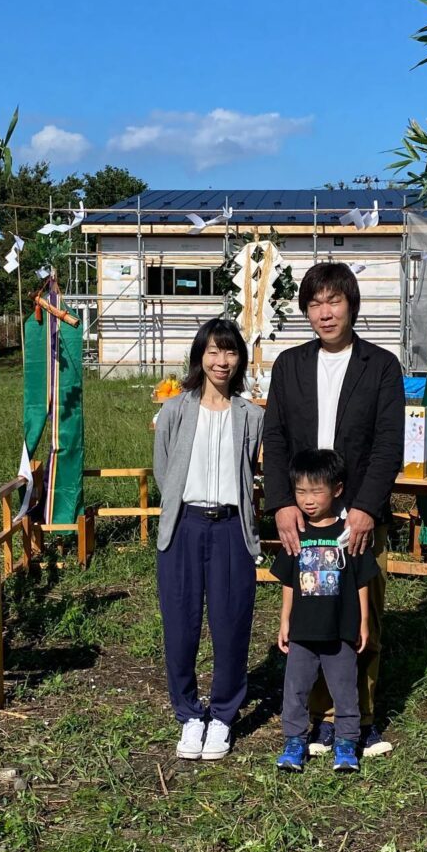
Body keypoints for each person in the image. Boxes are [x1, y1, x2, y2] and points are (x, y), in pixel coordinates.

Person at [263, 261, 405, 757]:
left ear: (351, 305)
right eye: (315, 304)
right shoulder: (290, 366)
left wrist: (365, 506)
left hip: (358, 515)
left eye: (334, 301)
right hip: (307, 516)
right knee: (312, 613)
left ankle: (359, 719)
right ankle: (319, 719)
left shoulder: (380, 366)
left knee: (362, 617)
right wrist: (282, 504)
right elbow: (275, 439)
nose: (325, 313)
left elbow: (388, 445)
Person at [153, 318, 265, 761]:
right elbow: (164, 471)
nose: (222, 360)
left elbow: (253, 471)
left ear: (240, 359)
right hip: (184, 525)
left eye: (230, 351)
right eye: (213, 351)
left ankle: (221, 715)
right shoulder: (175, 410)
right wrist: (181, 509)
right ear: (200, 356)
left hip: (232, 529)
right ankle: (188, 713)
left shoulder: (251, 416)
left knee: (231, 622)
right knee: (180, 624)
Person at [272, 449, 378, 773]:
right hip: (302, 631)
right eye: (301, 491)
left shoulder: (349, 534)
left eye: (316, 491)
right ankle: (294, 741)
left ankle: (346, 743)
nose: (308, 500)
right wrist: (284, 620)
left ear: (337, 489)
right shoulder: (296, 534)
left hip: (340, 629)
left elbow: (362, 581)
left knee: (345, 688)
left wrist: (362, 622)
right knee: (295, 689)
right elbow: (289, 583)